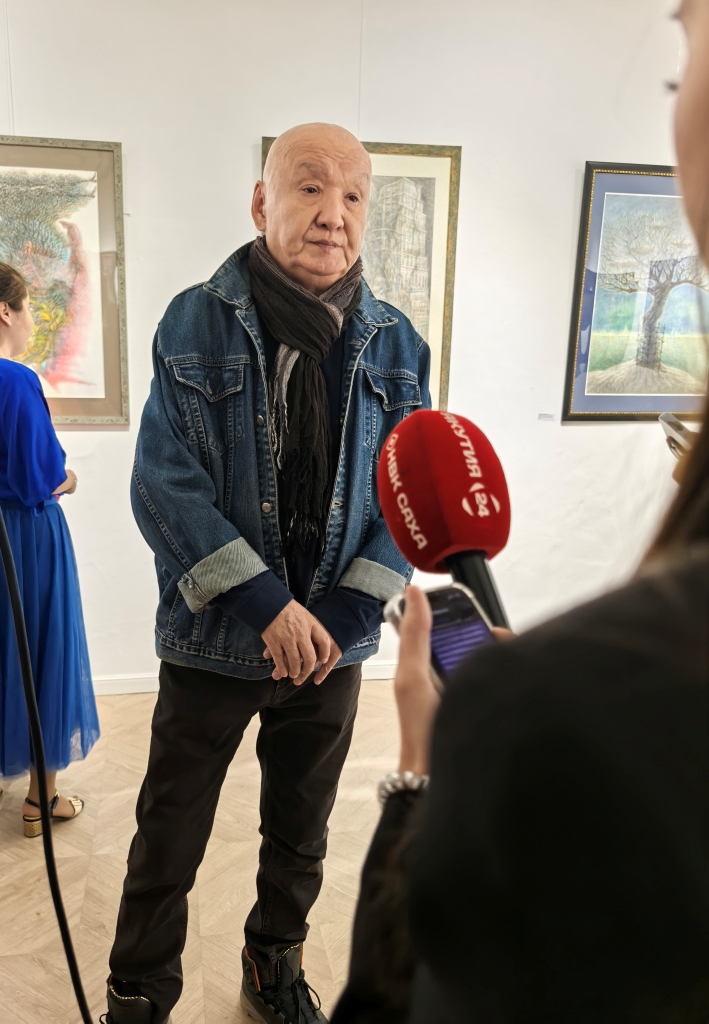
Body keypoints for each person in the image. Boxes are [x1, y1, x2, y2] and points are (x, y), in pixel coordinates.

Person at [332, 3, 709, 1020]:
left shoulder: (567, 716)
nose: (333, 212)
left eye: (686, 57)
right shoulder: (196, 322)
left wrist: (423, 779)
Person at [105, 123, 431, 1024]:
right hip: (215, 639)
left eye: (353, 195)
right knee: (169, 832)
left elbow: (409, 495)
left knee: (302, 830)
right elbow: (163, 483)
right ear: (263, 202)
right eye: (310, 187)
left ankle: (272, 966)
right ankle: (139, 993)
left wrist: (336, 616)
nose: (333, 214)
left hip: (332, 648)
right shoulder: (194, 320)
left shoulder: (397, 345)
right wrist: (264, 605)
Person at [0, 257, 98, 836]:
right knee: (38, 652)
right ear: (5, 311)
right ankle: (40, 799)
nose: (32, 319)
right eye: (28, 306)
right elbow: (40, 480)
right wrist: (71, 478)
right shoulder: (13, 379)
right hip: (23, 537)